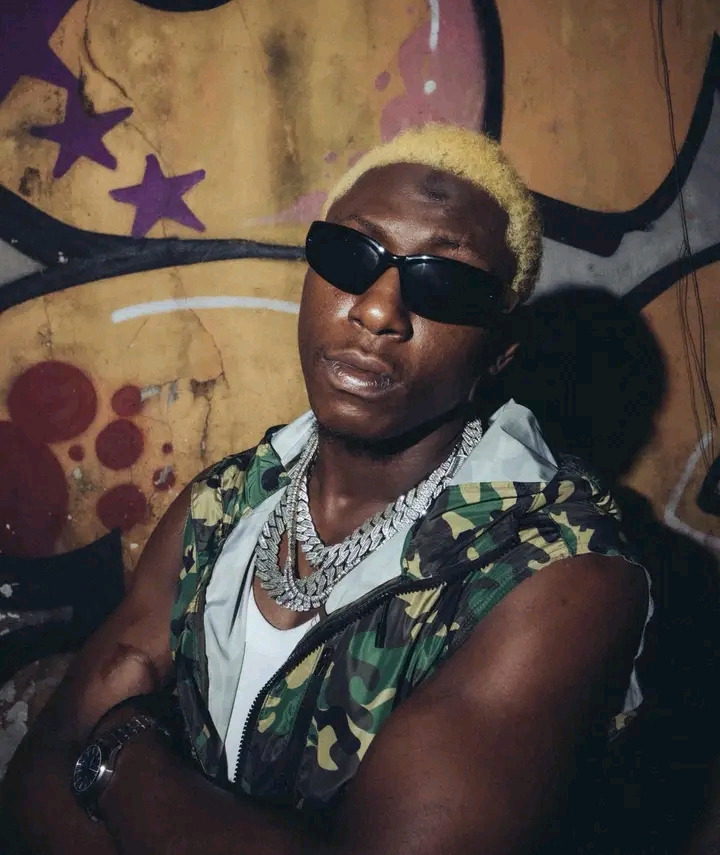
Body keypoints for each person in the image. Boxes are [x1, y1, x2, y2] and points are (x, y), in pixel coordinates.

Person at [2, 124, 649, 855]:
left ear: (501, 348)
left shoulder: (558, 574)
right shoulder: (226, 503)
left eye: (445, 282)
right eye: (350, 254)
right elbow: (39, 775)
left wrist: (125, 758)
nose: (377, 310)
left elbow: (89, 747)